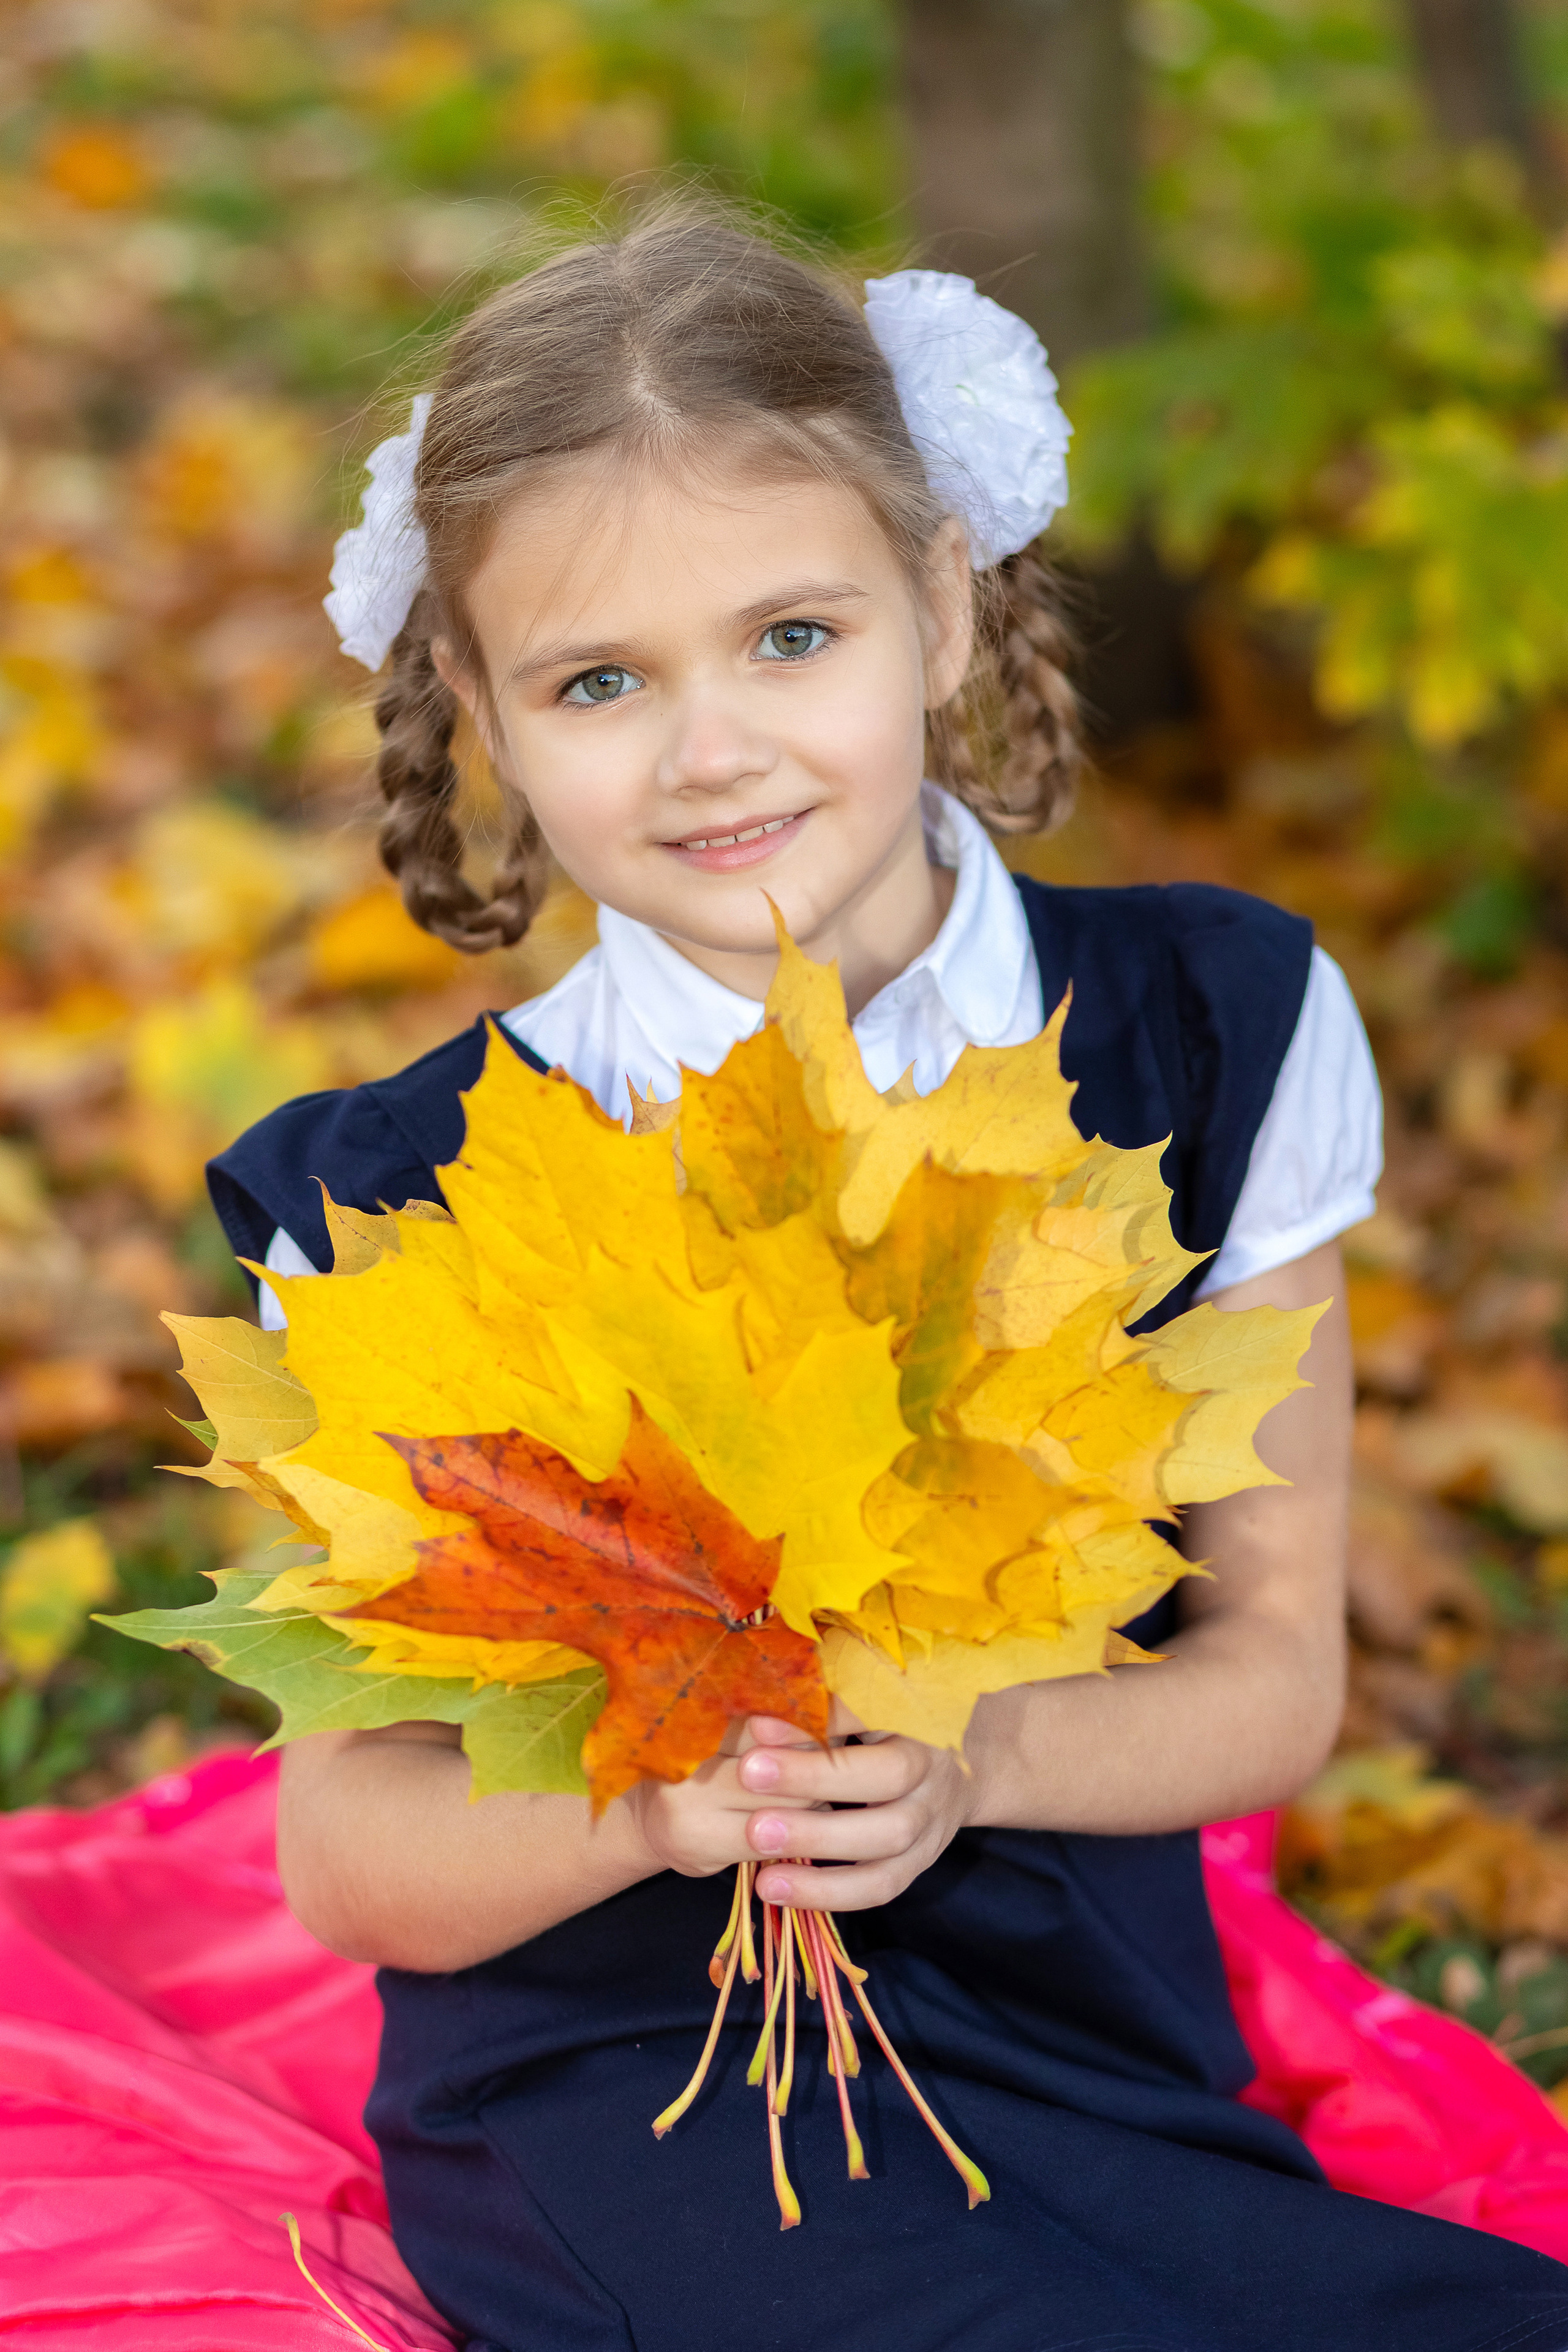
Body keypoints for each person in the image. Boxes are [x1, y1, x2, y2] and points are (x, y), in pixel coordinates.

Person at [206, 208, 1568, 2352]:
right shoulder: (405, 1202)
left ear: (940, 601)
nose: (709, 751)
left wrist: (978, 1762)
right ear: (476, 706)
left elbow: (1278, 1666)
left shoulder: (1212, 1033)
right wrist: (654, 1802)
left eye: (790, 638)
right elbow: (352, 1859)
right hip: (628, 2099)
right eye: (598, 683)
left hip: (1077, 2042)